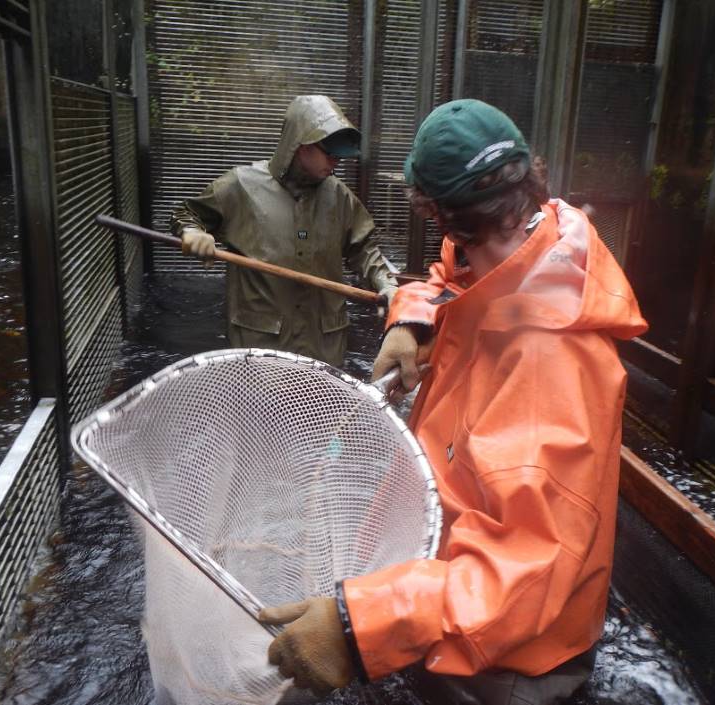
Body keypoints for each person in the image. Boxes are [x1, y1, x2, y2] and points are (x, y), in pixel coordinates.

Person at [258, 99, 648, 704]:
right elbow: (447, 282)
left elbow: (525, 574)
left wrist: (357, 629)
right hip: (443, 602)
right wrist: (411, 319)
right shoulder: (530, 246)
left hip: (510, 660)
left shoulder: (553, 371)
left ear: (436, 210)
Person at [171, 95, 398, 367]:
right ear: (302, 146)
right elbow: (188, 214)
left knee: (322, 407)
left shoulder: (339, 196)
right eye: (330, 153)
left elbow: (364, 250)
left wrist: (386, 283)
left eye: (340, 155)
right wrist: (192, 232)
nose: (336, 162)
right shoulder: (241, 186)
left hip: (323, 346)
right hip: (260, 345)